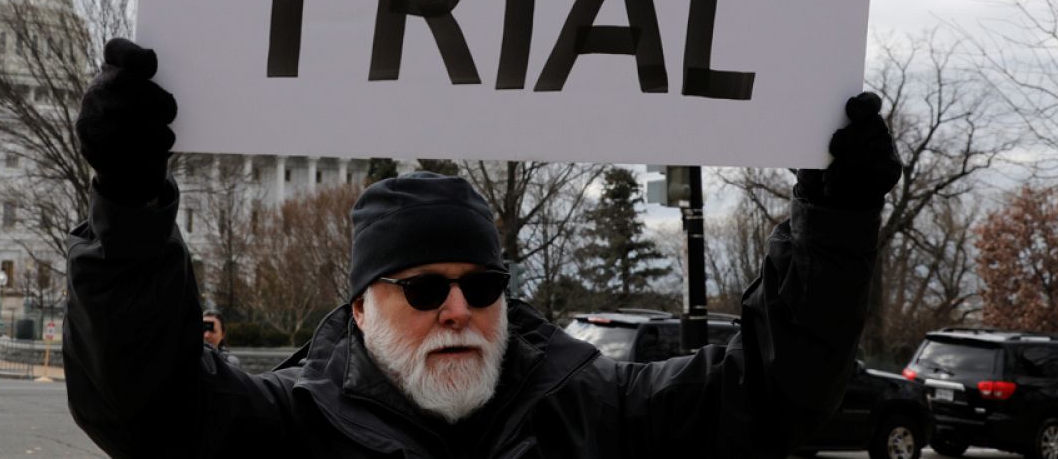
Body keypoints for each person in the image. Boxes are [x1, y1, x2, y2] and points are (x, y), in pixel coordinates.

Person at [65, 39, 901, 458]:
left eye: (483, 285)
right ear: (360, 309)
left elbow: (775, 395)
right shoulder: (293, 426)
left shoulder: (595, 412)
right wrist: (129, 205)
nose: (458, 309)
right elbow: (144, 406)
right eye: (424, 289)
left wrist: (835, 219)